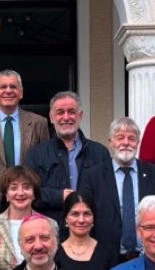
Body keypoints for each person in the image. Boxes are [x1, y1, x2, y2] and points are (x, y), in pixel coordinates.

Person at [25, 91, 111, 227]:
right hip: (51, 231)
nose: (66, 117)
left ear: (80, 116)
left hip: (89, 230)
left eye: (71, 112)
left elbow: (108, 195)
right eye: (60, 112)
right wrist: (59, 197)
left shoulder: (100, 153)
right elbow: (28, 193)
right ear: (51, 117)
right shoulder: (36, 154)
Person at [91, 117, 155, 260]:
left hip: (148, 255)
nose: (126, 143)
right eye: (120, 138)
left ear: (138, 143)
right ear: (110, 142)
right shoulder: (94, 176)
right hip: (106, 257)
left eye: (131, 138)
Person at [0, 69, 49, 184]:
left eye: (13, 87)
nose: (8, 91)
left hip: (27, 190)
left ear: (21, 92)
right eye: (3, 87)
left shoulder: (39, 123)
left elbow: (45, 163)